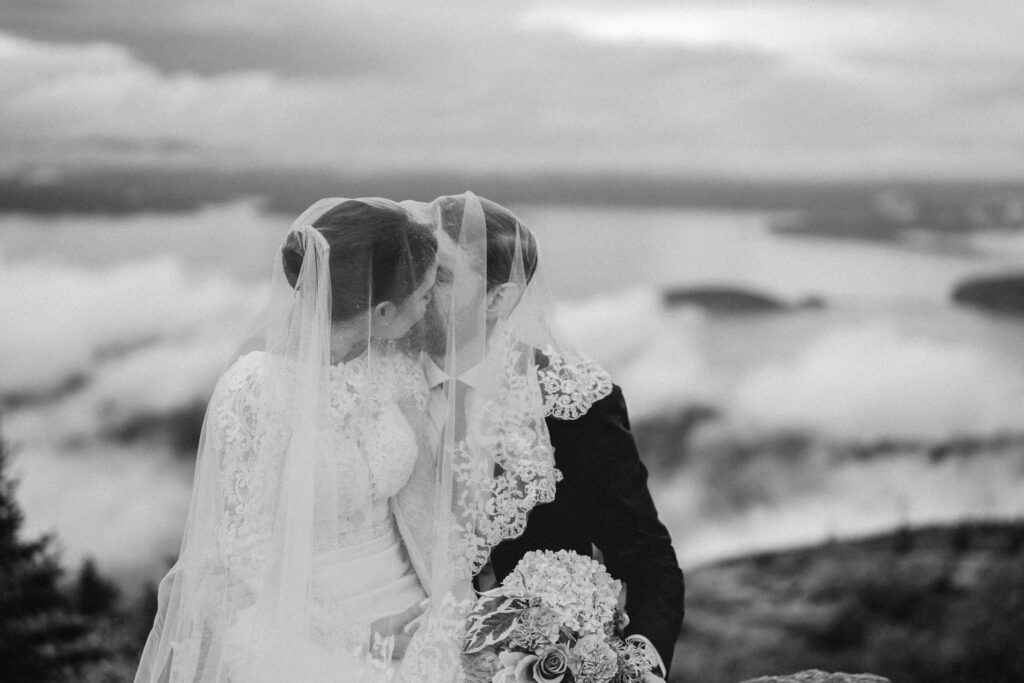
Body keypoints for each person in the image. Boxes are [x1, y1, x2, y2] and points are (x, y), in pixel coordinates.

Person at [134, 197, 557, 682]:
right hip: (298, 613)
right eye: (422, 295)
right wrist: (361, 638)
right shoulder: (254, 388)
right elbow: (247, 549)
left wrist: (455, 608)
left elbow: (421, 507)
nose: (429, 307)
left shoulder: (392, 368)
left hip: (406, 596)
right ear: (381, 311)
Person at [422, 193, 686, 678]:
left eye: (440, 274)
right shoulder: (379, 387)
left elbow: (649, 563)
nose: (417, 284)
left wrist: (636, 669)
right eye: (416, 264)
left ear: (498, 299)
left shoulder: (576, 405)